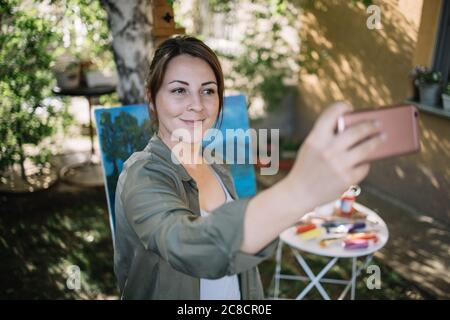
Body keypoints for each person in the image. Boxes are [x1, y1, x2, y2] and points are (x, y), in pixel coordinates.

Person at [113, 36, 384, 299]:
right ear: (151, 97)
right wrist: (299, 191)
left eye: (208, 91)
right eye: (179, 90)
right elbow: (186, 246)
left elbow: (237, 259)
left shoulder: (215, 163)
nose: (196, 105)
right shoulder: (141, 174)